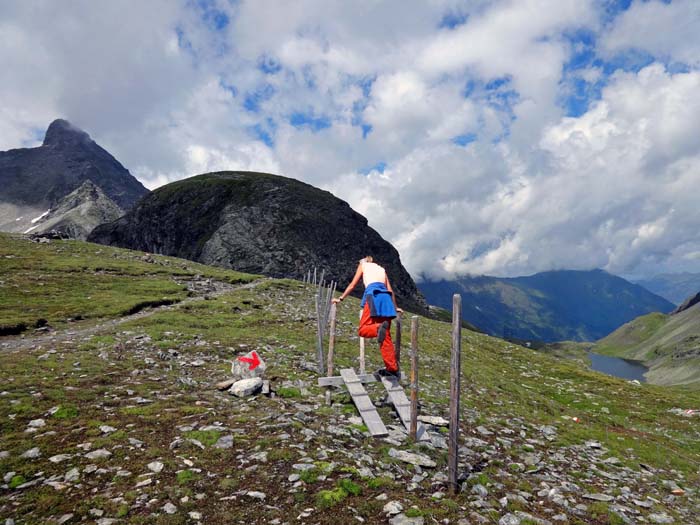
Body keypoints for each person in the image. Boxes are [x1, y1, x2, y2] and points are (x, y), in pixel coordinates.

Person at [332, 256, 403, 377]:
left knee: (363, 329)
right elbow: (390, 290)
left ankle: (377, 327)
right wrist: (395, 307)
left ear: (363, 261)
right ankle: (392, 368)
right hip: (386, 299)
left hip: (373, 297)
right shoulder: (381, 269)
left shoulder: (363, 265)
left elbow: (352, 285)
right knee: (386, 336)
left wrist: (340, 298)